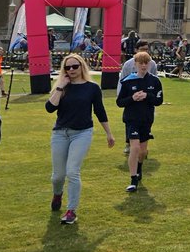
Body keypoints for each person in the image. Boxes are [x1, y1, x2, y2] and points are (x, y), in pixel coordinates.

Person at [45, 53, 115, 225]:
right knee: (57, 176)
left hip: (82, 133)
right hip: (60, 133)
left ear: (82, 66)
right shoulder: (62, 86)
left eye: (75, 66)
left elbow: (99, 111)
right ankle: (57, 194)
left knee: (72, 171)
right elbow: (49, 108)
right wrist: (60, 86)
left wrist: (109, 133)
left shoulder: (92, 87)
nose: (71, 70)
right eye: (67, 67)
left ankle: (71, 211)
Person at [116, 51, 164, 192]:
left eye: (146, 63)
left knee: (142, 151)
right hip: (131, 119)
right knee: (135, 147)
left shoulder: (155, 81)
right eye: (140, 63)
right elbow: (119, 102)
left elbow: (159, 100)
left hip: (147, 119)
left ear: (149, 64)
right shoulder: (127, 81)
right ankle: (133, 179)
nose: (143, 66)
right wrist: (132, 98)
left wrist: (147, 95)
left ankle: (139, 167)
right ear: (135, 64)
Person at [117, 41, 158, 155]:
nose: (145, 51)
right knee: (130, 121)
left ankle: (143, 143)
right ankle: (129, 143)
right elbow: (123, 80)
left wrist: (150, 95)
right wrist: (124, 96)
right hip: (131, 98)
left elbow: (154, 79)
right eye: (142, 49)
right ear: (136, 50)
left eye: (146, 49)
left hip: (146, 102)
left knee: (146, 120)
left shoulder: (153, 64)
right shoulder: (128, 64)